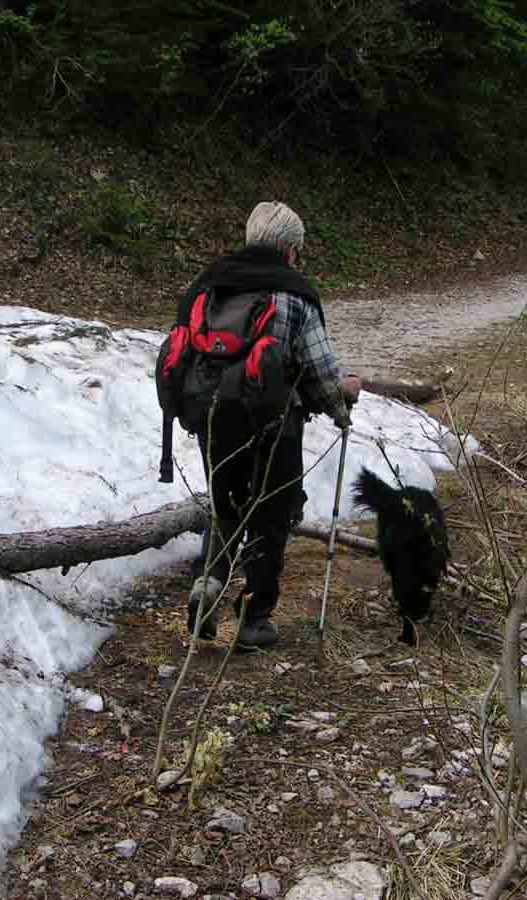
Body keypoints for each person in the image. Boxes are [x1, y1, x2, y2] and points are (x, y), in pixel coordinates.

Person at [186, 201, 360, 650]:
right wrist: (344, 405)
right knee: (270, 518)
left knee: (225, 504)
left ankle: (208, 587)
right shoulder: (294, 294)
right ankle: (253, 620)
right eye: (297, 250)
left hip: (213, 420)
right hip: (274, 426)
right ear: (289, 249)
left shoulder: (210, 284)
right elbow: (321, 373)